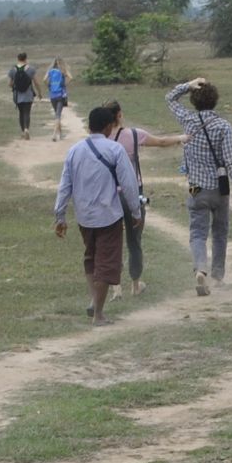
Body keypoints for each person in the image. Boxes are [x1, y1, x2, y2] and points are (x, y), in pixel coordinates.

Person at [55, 102, 139, 324]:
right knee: (107, 262)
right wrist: (136, 210)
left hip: (84, 216)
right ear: (109, 127)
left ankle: (95, 300)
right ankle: (99, 314)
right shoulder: (114, 149)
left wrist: (60, 215)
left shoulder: (74, 150)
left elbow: (65, 185)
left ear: (90, 126)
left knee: (91, 258)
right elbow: (129, 185)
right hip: (108, 215)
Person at [165, 77, 232, 296]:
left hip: (195, 187)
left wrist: (188, 85)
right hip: (220, 189)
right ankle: (217, 275)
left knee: (197, 232)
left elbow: (170, 98)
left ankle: (200, 269)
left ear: (194, 101)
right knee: (220, 231)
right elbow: (231, 159)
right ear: (215, 101)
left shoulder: (188, 120)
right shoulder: (223, 126)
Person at [105, 100, 182, 297]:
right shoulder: (134, 135)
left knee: (112, 241)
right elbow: (162, 142)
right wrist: (182, 137)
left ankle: (116, 288)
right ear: (120, 114)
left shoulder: (101, 140)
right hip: (133, 193)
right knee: (134, 241)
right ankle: (135, 284)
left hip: (109, 195)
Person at [7, 52, 38, 138]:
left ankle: (22, 132)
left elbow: (9, 84)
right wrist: (39, 93)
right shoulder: (31, 69)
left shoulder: (13, 70)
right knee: (27, 112)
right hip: (28, 95)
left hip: (17, 95)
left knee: (21, 113)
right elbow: (36, 82)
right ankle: (26, 129)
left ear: (18, 59)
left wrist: (15, 85)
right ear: (26, 59)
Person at [45, 57, 69, 141]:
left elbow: (44, 80)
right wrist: (65, 84)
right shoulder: (63, 71)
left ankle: (61, 134)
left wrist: (49, 86)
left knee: (57, 114)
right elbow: (71, 77)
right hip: (61, 95)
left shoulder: (50, 71)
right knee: (58, 116)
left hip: (52, 95)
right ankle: (54, 134)